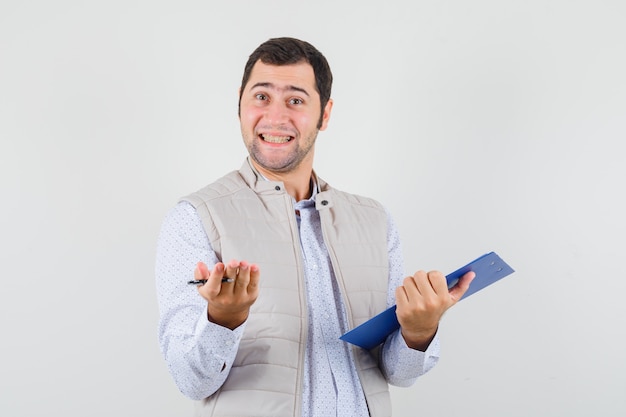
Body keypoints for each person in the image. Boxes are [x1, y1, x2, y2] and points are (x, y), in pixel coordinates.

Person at [156, 37, 475, 417]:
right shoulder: (194, 216)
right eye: (261, 97)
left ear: (324, 114)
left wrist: (419, 331)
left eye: (295, 100)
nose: (275, 117)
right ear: (240, 103)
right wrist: (223, 321)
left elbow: (397, 373)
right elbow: (191, 381)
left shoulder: (375, 221)